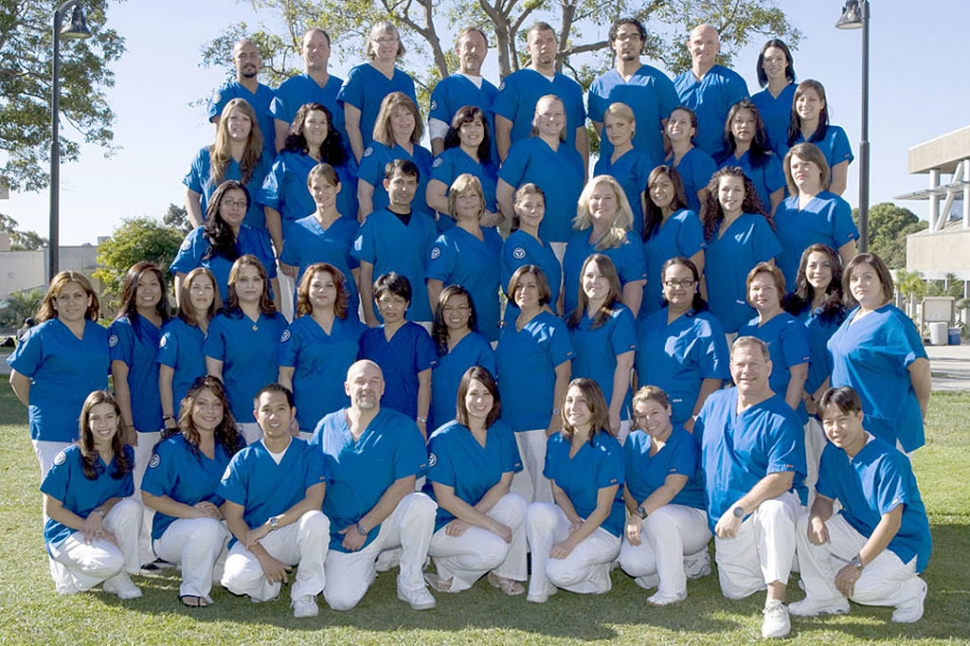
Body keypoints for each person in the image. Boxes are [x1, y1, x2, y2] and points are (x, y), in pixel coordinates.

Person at [695, 336, 807, 639]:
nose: (747, 370)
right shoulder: (715, 403)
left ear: (769, 367)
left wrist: (740, 508)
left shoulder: (782, 416)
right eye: (740, 364)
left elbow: (782, 479)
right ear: (731, 367)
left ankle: (776, 601)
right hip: (727, 520)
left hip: (758, 506)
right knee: (736, 591)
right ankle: (788, 557)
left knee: (774, 510)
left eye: (754, 363)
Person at [791, 386, 931, 624]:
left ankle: (911, 591)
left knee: (859, 589)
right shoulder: (832, 454)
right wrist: (816, 517)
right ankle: (824, 598)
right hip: (860, 530)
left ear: (859, 416)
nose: (835, 429)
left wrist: (857, 564)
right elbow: (824, 500)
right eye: (828, 422)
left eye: (842, 420)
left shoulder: (887, 460)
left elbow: (892, 522)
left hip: (902, 543)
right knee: (806, 523)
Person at [310, 360, 437, 611]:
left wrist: (364, 525)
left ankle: (411, 582)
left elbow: (404, 485)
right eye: (360, 381)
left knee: (421, 505)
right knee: (340, 600)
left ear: (383, 389)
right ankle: (367, 567)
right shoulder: (326, 427)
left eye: (373, 381)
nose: (366, 387)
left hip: (384, 522)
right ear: (347, 388)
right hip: (344, 532)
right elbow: (314, 481)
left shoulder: (401, 426)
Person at [219, 384, 330, 618]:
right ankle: (270, 583)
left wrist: (270, 525)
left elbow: (314, 501)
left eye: (280, 409)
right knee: (234, 581)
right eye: (266, 410)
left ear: (292, 413)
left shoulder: (310, 452)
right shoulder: (243, 459)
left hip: (293, 533)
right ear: (256, 416)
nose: (273, 416)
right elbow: (234, 518)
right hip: (257, 539)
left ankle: (305, 594)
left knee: (316, 520)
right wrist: (264, 558)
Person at [141, 376, 244, 607]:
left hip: (220, 524)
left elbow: (242, 492)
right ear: (189, 405)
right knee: (207, 528)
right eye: (202, 403)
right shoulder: (172, 447)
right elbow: (149, 495)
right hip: (171, 532)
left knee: (240, 579)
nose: (210, 411)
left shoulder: (233, 444)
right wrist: (193, 513)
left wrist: (219, 511)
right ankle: (193, 590)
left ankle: (200, 562)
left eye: (217, 404)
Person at [424, 367, 527, 595]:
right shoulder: (443, 438)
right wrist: (492, 525)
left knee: (517, 503)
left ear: (495, 398)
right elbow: (445, 499)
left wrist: (471, 519)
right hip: (442, 524)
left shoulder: (502, 432)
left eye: (486, 394)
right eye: (473, 394)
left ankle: (505, 573)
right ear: (462, 397)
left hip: (470, 515)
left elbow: (503, 485)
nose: (480, 400)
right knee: (495, 550)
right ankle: (448, 571)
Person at [525, 378, 625, 603]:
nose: (573, 407)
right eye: (569, 400)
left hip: (603, 529)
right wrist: (574, 521)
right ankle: (539, 585)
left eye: (581, 401)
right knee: (536, 511)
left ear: (594, 406)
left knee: (560, 572)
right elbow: (558, 491)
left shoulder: (609, 449)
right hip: (574, 521)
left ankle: (596, 576)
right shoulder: (556, 442)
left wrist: (570, 543)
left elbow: (602, 510)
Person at [7, 272, 108, 478]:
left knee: (90, 493)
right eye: (64, 297)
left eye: (78, 296)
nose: (71, 303)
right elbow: (17, 379)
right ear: (54, 302)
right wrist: (42, 408)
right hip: (54, 429)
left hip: (95, 428)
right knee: (58, 495)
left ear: (89, 299)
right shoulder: (41, 335)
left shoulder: (101, 335)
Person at [41, 390, 141, 599]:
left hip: (95, 523)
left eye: (109, 417)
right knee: (111, 561)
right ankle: (75, 575)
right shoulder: (69, 458)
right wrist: (98, 531)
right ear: (86, 423)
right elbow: (52, 510)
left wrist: (99, 512)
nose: (104, 425)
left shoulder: (125, 454)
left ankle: (118, 576)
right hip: (66, 532)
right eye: (96, 418)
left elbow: (118, 496)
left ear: (118, 419)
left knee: (131, 508)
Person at [827, 253, 931, 454]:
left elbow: (921, 367)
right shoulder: (853, 315)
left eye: (868, 277)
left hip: (883, 424)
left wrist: (921, 408)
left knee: (884, 483)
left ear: (882, 281)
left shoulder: (893, 322)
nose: (860, 284)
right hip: (850, 421)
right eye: (854, 279)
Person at [619, 386, 711, 606]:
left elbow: (671, 488)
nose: (648, 420)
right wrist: (635, 516)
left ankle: (673, 590)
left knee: (660, 516)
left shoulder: (683, 440)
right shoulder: (633, 441)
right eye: (641, 416)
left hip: (692, 520)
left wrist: (639, 516)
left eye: (654, 413)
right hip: (649, 519)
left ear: (668, 410)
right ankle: (684, 564)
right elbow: (626, 486)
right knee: (633, 565)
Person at [496, 265, 575, 505]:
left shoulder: (553, 327)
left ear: (541, 290)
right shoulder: (508, 330)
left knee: (544, 493)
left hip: (541, 423)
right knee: (518, 493)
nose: (524, 291)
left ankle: (544, 543)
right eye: (519, 286)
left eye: (531, 286)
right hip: (510, 422)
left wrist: (556, 416)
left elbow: (564, 375)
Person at [636, 257, 729, 430]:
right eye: (672, 282)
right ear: (663, 286)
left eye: (686, 282)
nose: (678, 288)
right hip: (648, 423)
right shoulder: (648, 325)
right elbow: (637, 372)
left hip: (685, 422)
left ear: (695, 286)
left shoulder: (707, 326)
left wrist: (695, 419)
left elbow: (714, 378)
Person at [258, 102, 356, 267]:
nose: (317, 127)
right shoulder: (286, 161)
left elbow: (359, 195)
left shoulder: (343, 160)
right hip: (300, 248)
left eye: (322, 122)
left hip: (341, 246)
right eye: (312, 122)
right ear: (301, 126)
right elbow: (269, 205)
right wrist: (282, 251)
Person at [205, 256, 288, 445]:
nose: (250, 285)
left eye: (256, 279)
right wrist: (225, 413)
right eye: (243, 279)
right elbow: (214, 373)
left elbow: (286, 371)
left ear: (264, 284)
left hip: (273, 416)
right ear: (233, 284)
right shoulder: (221, 323)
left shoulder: (278, 322)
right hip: (237, 417)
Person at [279, 263, 366, 439]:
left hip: (347, 421)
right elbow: (284, 376)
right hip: (305, 423)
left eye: (329, 285)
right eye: (316, 285)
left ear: (338, 291)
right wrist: (289, 416)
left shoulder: (356, 329)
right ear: (306, 290)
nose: (322, 290)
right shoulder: (295, 331)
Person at [108, 262, 171, 498]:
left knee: (166, 489)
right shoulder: (123, 328)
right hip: (140, 423)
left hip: (171, 423)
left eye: (153, 284)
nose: (147, 290)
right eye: (140, 284)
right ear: (129, 290)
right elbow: (120, 381)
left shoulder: (172, 326)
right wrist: (127, 425)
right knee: (137, 491)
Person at [496, 94, 586, 250]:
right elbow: (502, 194)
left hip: (573, 243)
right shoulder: (522, 150)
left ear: (564, 119)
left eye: (558, 114)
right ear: (536, 118)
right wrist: (524, 228)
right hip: (535, 243)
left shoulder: (575, 157)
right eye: (546, 114)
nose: (552, 119)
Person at [354, 160, 438, 325]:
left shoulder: (428, 225)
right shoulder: (373, 223)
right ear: (386, 185)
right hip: (384, 313)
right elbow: (365, 274)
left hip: (422, 312)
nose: (405, 189)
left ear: (417, 186)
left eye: (410, 183)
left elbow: (435, 276)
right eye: (399, 182)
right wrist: (370, 316)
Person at [171, 180, 280, 307]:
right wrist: (185, 316)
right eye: (229, 202)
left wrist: (277, 315)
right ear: (218, 204)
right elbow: (182, 275)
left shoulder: (260, 237)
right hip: (213, 319)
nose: (235, 208)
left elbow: (272, 279)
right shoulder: (200, 237)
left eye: (241, 203)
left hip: (256, 319)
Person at [492, 22, 587, 165]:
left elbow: (580, 134)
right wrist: (510, 172)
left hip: (567, 172)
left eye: (550, 40)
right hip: (527, 173)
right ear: (529, 49)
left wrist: (584, 176)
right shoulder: (514, 83)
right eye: (538, 42)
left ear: (556, 45)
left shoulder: (572, 88)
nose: (545, 46)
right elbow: (502, 130)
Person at [701, 166, 781, 335]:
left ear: (745, 194)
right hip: (716, 320)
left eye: (737, 189)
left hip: (749, 318)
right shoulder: (710, 230)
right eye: (725, 189)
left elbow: (769, 273)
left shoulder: (756, 224)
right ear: (716, 193)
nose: (731, 195)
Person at [588, 18, 679, 164]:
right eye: (622, 37)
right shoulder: (598, 87)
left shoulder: (658, 81)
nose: (628, 41)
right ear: (613, 43)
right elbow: (601, 130)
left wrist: (655, 156)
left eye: (634, 36)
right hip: (611, 171)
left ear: (641, 43)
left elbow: (672, 129)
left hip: (650, 171)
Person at [566, 255, 636, 441]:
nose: (594, 281)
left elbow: (625, 365)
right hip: (580, 414)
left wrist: (613, 412)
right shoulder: (572, 320)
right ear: (581, 280)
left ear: (611, 281)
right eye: (589, 276)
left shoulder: (621, 316)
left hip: (609, 412)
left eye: (601, 276)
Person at [277, 163, 361, 317]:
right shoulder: (298, 229)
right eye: (316, 188)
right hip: (308, 310)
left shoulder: (353, 229)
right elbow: (297, 273)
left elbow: (357, 273)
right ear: (310, 190)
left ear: (338, 187)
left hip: (343, 310)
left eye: (327, 186)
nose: (322, 192)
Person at [427, 174, 503, 342]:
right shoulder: (446, 242)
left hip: (492, 329)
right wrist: (444, 329)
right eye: (462, 197)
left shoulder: (494, 239)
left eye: (473, 196)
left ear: (482, 202)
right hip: (459, 333)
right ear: (453, 204)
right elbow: (434, 287)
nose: (468, 201)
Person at [358, 273, 435, 436]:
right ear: (377, 303)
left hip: (410, 419)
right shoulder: (368, 338)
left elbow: (425, 382)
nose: (391, 307)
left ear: (407, 304)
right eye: (385, 300)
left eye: (397, 301)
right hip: (377, 421)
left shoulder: (417, 335)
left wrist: (421, 422)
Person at [774, 142, 858, 290]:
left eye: (806, 164)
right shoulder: (783, 208)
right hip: (786, 297)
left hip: (821, 296)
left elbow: (849, 260)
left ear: (820, 167)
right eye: (795, 166)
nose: (800, 170)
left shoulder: (835, 206)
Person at [562, 175, 647, 317]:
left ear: (619, 204)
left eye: (608, 198)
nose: (601, 203)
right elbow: (567, 283)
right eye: (595, 197)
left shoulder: (627, 241)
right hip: (571, 325)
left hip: (606, 328)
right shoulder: (576, 239)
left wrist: (623, 327)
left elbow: (633, 286)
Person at [738, 263, 810, 429]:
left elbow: (799, 375)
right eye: (755, 288)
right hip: (753, 415)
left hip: (782, 415)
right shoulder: (746, 329)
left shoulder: (791, 327)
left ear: (779, 291)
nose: (761, 293)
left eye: (768, 288)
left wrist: (786, 417)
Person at [184, 98, 271, 233]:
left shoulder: (264, 160)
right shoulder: (205, 156)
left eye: (245, 119)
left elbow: (272, 205)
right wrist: (200, 229)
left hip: (253, 241)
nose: (239, 123)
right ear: (224, 122)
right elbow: (191, 195)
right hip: (214, 239)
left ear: (252, 125)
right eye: (233, 118)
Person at [339, 20, 418, 162]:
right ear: (372, 45)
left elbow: (414, 125)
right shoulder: (358, 75)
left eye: (391, 39)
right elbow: (351, 125)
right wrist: (364, 163)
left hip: (401, 163)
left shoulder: (405, 81)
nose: (387, 44)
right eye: (381, 39)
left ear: (398, 44)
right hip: (370, 158)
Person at [783, 244, 848, 410]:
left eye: (825, 265)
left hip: (831, 399)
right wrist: (801, 393)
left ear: (835, 269)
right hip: (795, 396)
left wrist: (818, 396)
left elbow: (841, 360)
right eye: (812, 265)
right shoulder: (791, 307)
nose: (818, 271)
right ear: (804, 269)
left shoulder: (845, 310)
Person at [158, 268, 221, 435]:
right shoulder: (174, 331)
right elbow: (165, 380)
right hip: (185, 417)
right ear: (187, 292)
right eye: (196, 287)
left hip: (216, 415)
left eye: (208, 287)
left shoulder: (221, 326)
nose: (202, 293)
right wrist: (168, 417)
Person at [357, 92, 434, 222]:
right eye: (397, 115)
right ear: (387, 121)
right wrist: (370, 229)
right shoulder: (377, 151)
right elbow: (364, 194)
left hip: (422, 229)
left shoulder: (424, 155)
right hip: (387, 228)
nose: (404, 120)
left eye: (408, 114)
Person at [640, 166, 706, 318]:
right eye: (653, 186)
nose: (658, 191)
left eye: (664, 185)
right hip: (650, 309)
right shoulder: (652, 226)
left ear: (676, 187)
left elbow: (696, 267)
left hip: (677, 308)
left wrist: (681, 302)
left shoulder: (686, 219)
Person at [673, 24, 749, 156]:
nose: (703, 48)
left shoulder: (732, 81)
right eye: (698, 42)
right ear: (689, 45)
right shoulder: (676, 85)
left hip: (723, 162)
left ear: (717, 47)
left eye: (710, 43)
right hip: (683, 163)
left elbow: (746, 123)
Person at [429, 286, 495, 433]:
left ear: (469, 311)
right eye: (448, 308)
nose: (455, 313)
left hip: (469, 426)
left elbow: (488, 391)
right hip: (437, 425)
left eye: (461, 307)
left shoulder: (480, 345)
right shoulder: (432, 345)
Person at [270, 28, 346, 153]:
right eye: (310, 46)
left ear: (329, 51)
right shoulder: (287, 90)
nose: (316, 50)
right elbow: (280, 139)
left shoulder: (343, 90)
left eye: (321, 45)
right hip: (300, 166)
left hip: (340, 167)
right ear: (302, 51)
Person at [592, 102, 661, 237]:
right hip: (604, 237)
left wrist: (647, 235)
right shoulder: (600, 165)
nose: (614, 131)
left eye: (620, 125)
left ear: (632, 125)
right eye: (609, 126)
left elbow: (647, 204)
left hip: (632, 234)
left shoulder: (642, 160)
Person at [426, 106, 500, 229]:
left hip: (488, 239)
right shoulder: (448, 159)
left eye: (478, 125)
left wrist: (498, 216)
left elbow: (499, 203)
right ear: (458, 131)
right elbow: (433, 199)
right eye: (466, 126)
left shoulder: (490, 166)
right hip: (456, 237)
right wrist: (474, 216)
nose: (473, 130)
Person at [428, 27, 498, 158]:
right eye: (468, 46)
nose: (473, 51)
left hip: (490, 173)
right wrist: (442, 168)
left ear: (485, 52)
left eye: (479, 46)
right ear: (458, 51)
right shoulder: (446, 87)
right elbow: (437, 131)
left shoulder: (493, 92)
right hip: (458, 172)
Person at [207, 38, 276, 161]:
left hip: (269, 168)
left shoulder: (274, 96)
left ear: (259, 61)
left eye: (253, 56)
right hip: (237, 167)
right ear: (234, 62)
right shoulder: (225, 95)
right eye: (242, 56)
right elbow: (220, 139)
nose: (248, 60)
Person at [500, 184, 562, 320]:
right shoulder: (516, 243)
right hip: (526, 321)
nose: (534, 210)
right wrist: (554, 321)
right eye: (528, 206)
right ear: (517, 209)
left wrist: (558, 316)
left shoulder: (544, 243)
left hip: (547, 319)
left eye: (539, 205)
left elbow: (554, 287)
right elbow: (526, 292)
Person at [715, 99, 785, 216]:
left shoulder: (768, 160)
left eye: (750, 121)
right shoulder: (719, 161)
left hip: (759, 227)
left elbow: (777, 203)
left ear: (757, 126)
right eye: (739, 121)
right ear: (730, 125)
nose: (744, 126)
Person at [783, 80, 853, 196]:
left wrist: (821, 208)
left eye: (812, 99)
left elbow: (839, 183)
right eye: (801, 99)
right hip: (793, 209)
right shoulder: (784, 141)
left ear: (822, 104)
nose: (805, 104)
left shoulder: (835, 136)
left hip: (824, 208)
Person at [664, 106, 717, 215]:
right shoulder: (667, 163)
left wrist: (697, 231)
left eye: (682, 122)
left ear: (692, 131)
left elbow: (707, 205)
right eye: (673, 121)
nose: (676, 125)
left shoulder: (700, 161)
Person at [751, 39, 797, 155]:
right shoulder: (755, 101)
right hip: (766, 163)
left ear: (787, 62)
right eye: (768, 59)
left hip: (796, 160)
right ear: (762, 64)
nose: (774, 63)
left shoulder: (800, 94)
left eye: (779, 59)